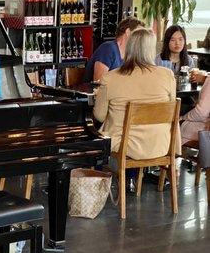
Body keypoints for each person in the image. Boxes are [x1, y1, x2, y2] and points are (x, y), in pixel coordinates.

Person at [93, 28, 177, 160]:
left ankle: (107, 176)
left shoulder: (111, 78)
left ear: (129, 47)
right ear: (151, 50)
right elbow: (171, 108)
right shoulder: (167, 75)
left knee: (99, 135)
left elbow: (99, 116)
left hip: (124, 145)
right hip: (160, 144)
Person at [84, 17, 145, 82]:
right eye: (138, 34)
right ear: (128, 32)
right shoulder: (108, 48)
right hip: (95, 91)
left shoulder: (130, 54)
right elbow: (98, 82)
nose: (141, 38)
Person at [181, 75, 210, 145]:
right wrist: (205, 78)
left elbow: (201, 113)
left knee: (172, 126)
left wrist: (182, 119)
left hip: (205, 131)